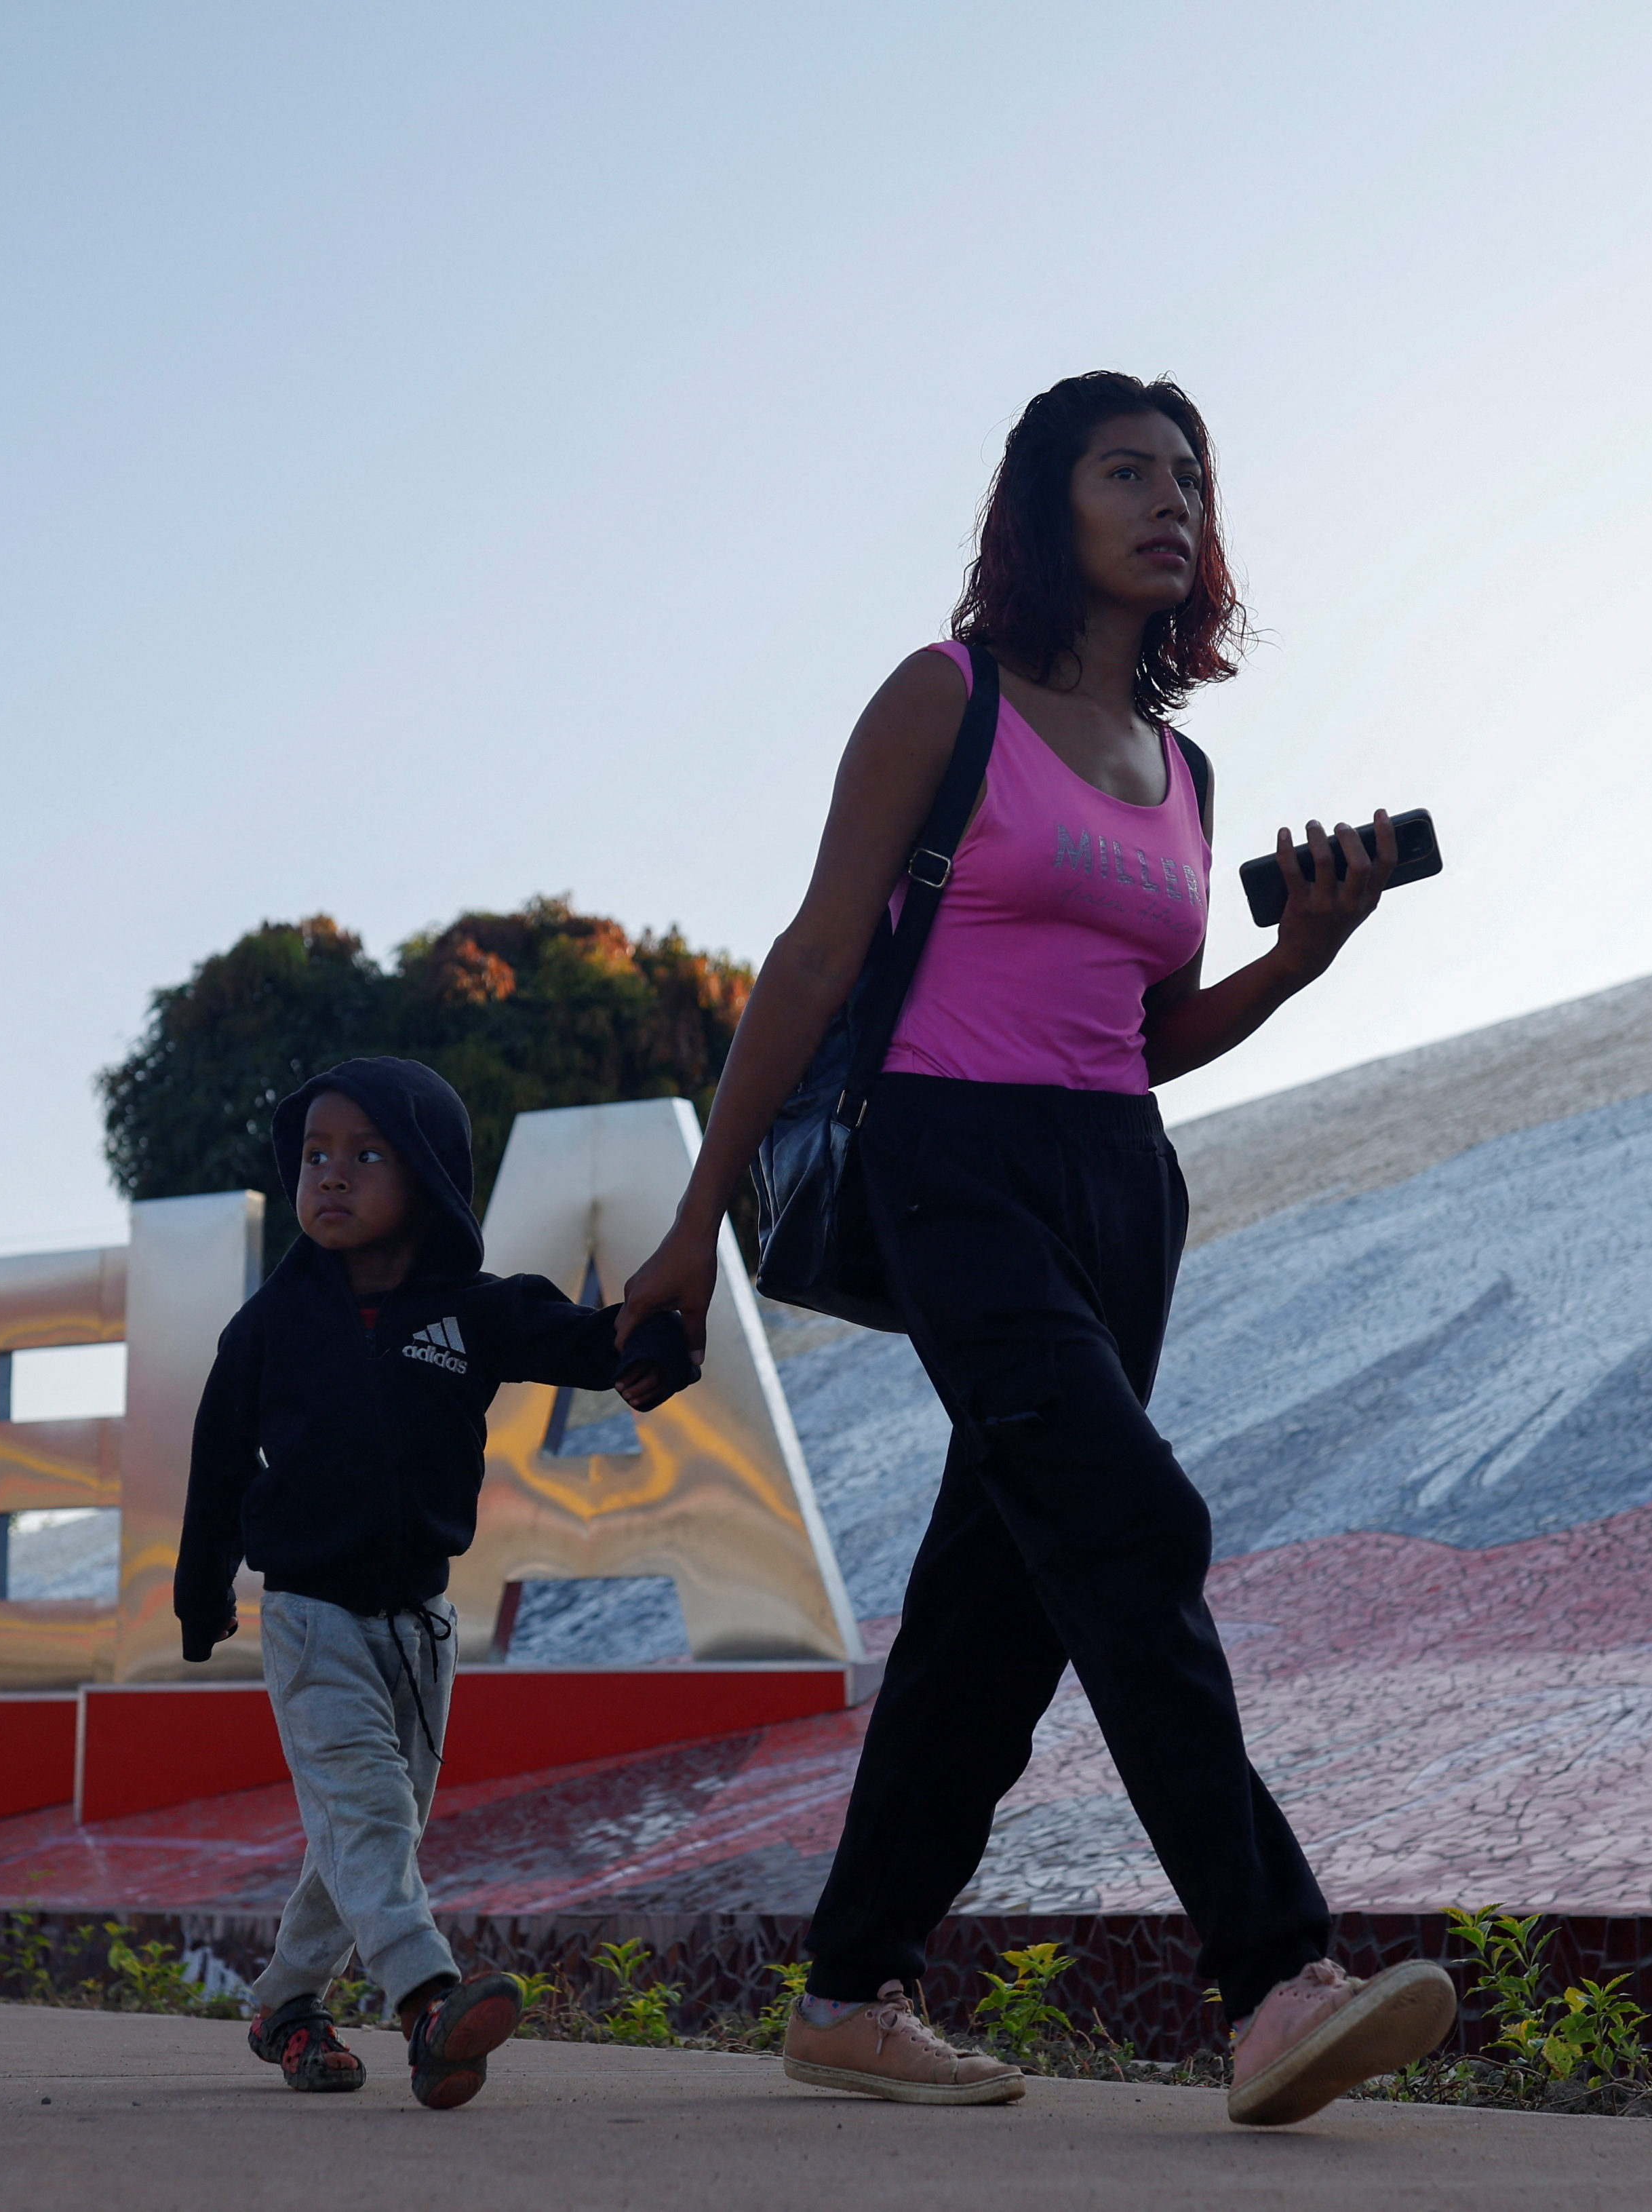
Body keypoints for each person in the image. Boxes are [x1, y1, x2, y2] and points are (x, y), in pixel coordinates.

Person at [614, 371, 1457, 2126]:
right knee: (1130, 1515)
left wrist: (1298, 959)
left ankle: (850, 1986)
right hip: (946, 1158)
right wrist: (694, 1224)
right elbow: (814, 958)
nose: (1169, 502)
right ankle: (1272, 1975)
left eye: (1188, 477)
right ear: (1040, 506)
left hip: (1118, 1182)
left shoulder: (1185, 767)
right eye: (1125, 471)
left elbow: (1143, 1034)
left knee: (1000, 1608)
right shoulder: (945, 700)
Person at [177, 1056, 701, 2112]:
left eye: (365, 1155)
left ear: (425, 1176)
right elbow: (217, 1462)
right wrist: (201, 1592)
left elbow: (584, 1342)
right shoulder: (268, 1329)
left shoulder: (471, 1313)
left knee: (367, 1831)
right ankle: (427, 2000)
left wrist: (649, 1347)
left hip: (419, 1630)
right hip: (309, 1614)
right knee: (364, 1809)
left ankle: (286, 2006)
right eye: (315, 1155)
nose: (330, 1175)